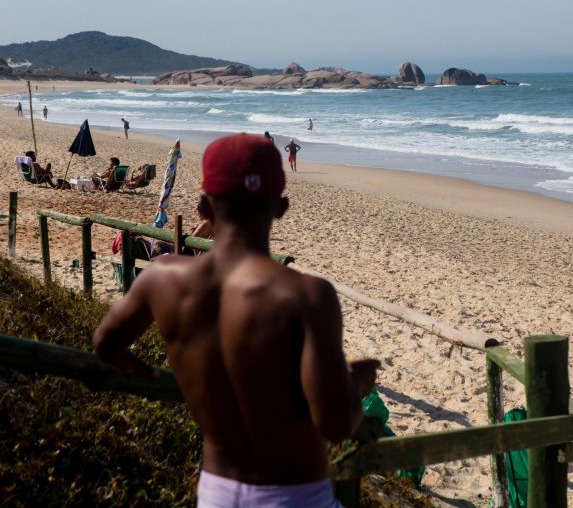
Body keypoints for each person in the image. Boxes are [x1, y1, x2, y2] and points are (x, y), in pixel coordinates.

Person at [93, 134, 378, 507]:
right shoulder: (307, 296)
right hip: (295, 494)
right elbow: (335, 424)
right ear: (280, 208)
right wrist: (358, 380)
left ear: (203, 207)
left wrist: (141, 369)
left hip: (218, 493)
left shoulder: (161, 279)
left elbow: (106, 345)